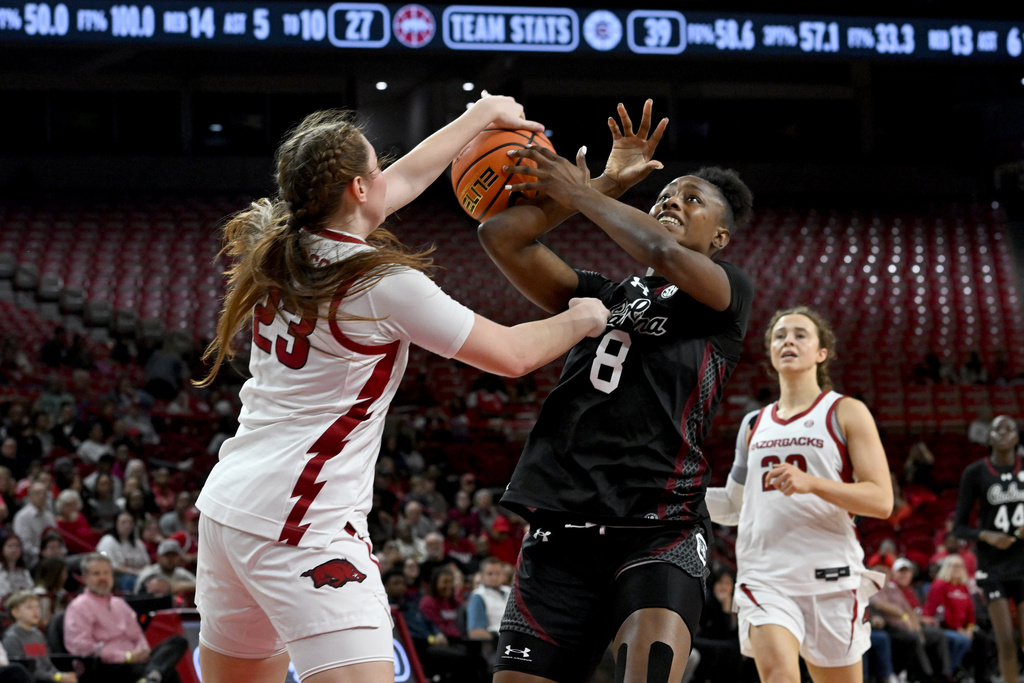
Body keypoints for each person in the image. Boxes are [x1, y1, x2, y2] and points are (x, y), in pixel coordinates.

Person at [191, 93, 610, 683]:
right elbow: (513, 355)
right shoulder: (381, 283)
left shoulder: (283, 249)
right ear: (359, 190)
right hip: (302, 524)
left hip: (228, 510)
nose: (386, 174)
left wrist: (480, 116)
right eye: (373, 167)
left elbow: (407, 177)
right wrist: (583, 318)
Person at [477, 99, 753, 683]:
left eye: (692, 198)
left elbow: (661, 251)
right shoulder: (600, 296)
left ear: (721, 236)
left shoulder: (725, 295)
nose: (672, 200)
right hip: (562, 526)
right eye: (665, 194)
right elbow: (500, 236)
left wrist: (582, 196)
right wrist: (601, 181)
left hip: (658, 523)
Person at [705, 306, 893, 683]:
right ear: (771, 353)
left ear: (822, 353)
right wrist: (672, 490)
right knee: (779, 677)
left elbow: (881, 500)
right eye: (779, 335)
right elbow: (733, 507)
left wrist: (813, 484)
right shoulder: (753, 424)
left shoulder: (846, 411)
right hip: (765, 577)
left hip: (831, 577)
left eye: (800, 334)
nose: (788, 340)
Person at [952, 414, 1024, 683]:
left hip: (1022, 561)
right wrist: (986, 535)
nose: (1003, 432)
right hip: (993, 565)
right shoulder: (975, 473)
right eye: (997, 429)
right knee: (1005, 640)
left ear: (1017, 437)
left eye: (1010, 428)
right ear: (989, 437)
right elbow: (959, 527)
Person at [63, 553, 187, 683]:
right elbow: (82, 647)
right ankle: (151, 676)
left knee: (178, 642)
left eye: (106, 573)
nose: (103, 578)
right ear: (85, 578)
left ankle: (150, 677)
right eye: (96, 574)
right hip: (105, 666)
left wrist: (142, 650)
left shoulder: (119, 604)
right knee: (169, 674)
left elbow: (137, 635)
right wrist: (125, 657)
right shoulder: (78, 606)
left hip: (134, 660)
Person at [2, 590, 77, 683]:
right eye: (29, 607)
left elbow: (48, 665)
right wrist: (57, 677)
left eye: (37, 607)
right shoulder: (12, 638)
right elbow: (23, 672)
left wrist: (61, 675)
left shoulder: (38, 634)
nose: (35, 611)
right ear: (15, 612)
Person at [922, 555, 976, 675]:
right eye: (952, 565)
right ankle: (946, 673)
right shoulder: (940, 584)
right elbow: (942, 611)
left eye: (959, 566)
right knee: (961, 640)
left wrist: (970, 628)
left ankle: (979, 676)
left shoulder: (964, 587)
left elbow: (971, 613)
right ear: (946, 568)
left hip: (961, 628)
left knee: (981, 638)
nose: (956, 569)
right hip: (942, 625)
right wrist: (959, 629)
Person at [96, 511, 151, 593]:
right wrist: (135, 572)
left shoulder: (138, 543)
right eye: (123, 522)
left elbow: (147, 562)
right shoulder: (107, 541)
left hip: (141, 574)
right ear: (116, 524)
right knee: (129, 580)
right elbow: (110, 565)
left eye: (130, 522)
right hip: (119, 577)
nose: (127, 526)